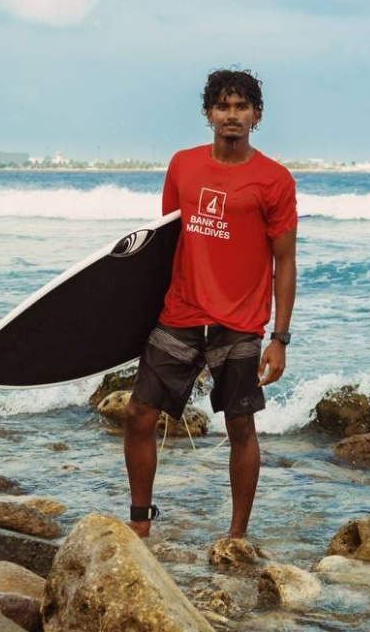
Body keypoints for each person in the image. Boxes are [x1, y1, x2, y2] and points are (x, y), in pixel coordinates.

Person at [124, 68, 298, 540]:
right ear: (208, 114)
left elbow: (285, 261)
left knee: (240, 426)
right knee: (138, 414)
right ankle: (140, 522)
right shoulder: (183, 165)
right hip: (180, 313)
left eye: (242, 107)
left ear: (257, 115)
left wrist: (280, 338)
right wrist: (135, 316)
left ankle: (236, 536)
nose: (232, 115)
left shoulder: (275, 180)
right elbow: (164, 241)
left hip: (239, 322)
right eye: (223, 106)